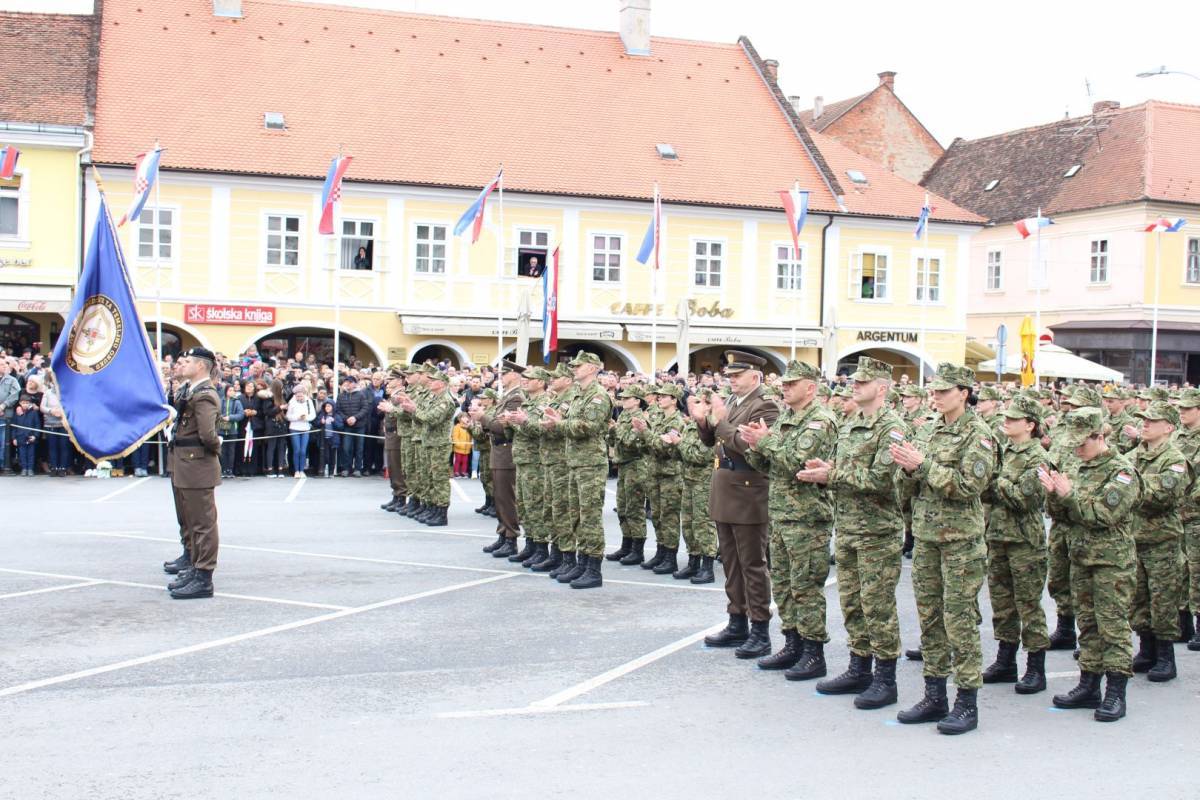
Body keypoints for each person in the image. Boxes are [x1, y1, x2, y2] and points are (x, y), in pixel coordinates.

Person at [892, 363, 996, 735]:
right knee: (930, 618)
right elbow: (906, 483)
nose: (935, 396)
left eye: (943, 391)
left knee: (959, 620)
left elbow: (969, 486)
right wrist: (908, 471)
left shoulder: (978, 435)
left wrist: (922, 466)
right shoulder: (930, 429)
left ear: (964, 394)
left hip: (960, 542)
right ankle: (934, 694)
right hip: (927, 536)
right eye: (933, 391)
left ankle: (966, 701)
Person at [797, 357, 908, 699]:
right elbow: (846, 469)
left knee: (878, 606)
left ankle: (885, 678)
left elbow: (881, 479)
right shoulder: (850, 422)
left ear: (882, 388)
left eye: (863, 382)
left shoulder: (892, 428)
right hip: (847, 527)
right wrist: (826, 468)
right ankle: (859, 667)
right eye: (854, 381)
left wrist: (832, 474)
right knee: (852, 603)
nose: (854, 386)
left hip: (877, 532)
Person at [1042, 408, 1140, 722]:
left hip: (1111, 562)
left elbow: (1101, 515)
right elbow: (1061, 514)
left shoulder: (1122, 472)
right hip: (1081, 556)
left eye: (1082, 443)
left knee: (1112, 627)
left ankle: (1116, 692)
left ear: (1099, 436)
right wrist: (1054, 495)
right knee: (1087, 624)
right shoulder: (1078, 465)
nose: (1077, 449)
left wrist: (1068, 495)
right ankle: (1089, 684)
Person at [741, 360, 837, 672]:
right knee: (783, 584)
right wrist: (755, 447)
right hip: (782, 514)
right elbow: (769, 466)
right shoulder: (786, 418)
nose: (785, 388)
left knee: (805, 587)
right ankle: (792, 644)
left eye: (791, 384)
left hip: (807, 518)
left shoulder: (819, 422)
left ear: (810, 388)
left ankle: (813, 652)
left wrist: (765, 442)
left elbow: (797, 462)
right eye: (784, 383)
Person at [695, 351, 779, 657]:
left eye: (736, 375)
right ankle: (737, 621)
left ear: (755, 376)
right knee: (731, 563)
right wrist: (703, 422)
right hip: (726, 489)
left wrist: (719, 422)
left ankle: (760, 629)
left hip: (748, 491)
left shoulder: (765, 406)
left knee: (752, 565)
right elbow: (713, 442)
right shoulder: (732, 401)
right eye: (729, 375)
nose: (730, 380)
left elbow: (749, 446)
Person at [981, 394, 1052, 693]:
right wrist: (996, 484)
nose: (1006, 422)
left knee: (1028, 605)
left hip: (1025, 541)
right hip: (998, 536)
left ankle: (1036, 667)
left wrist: (996, 480)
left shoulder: (1038, 458)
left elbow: (1025, 499)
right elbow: (986, 491)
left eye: (1013, 418)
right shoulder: (1005, 450)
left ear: (1030, 425)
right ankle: (1006, 660)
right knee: (1002, 603)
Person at [1128, 400, 1189, 681]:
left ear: (1168, 428)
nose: (1146, 424)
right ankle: (1146, 649)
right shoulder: (1135, 455)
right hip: (1135, 537)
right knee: (1139, 596)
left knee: (1163, 598)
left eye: (1152, 421)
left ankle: (1166, 656)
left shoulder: (1174, 459)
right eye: (1144, 420)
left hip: (1162, 539)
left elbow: (1163, 495)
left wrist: (1132, 488)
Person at [540, 351, 612, 589]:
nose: (574, 369)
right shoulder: (580, 395)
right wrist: (557, 418)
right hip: (575, 462)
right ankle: (582, 563)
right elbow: (573, 423)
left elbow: (588, 426)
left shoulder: (598, 395)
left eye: (578, 366)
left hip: (591, 464)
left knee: (590, 517)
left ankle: (594, 569)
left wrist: (559, 423)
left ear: (592, 368)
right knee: (576, 515)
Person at [162, 347, 223, 600]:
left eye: (187, 361)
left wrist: (217, 448)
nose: (182, 364)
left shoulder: (205, 395)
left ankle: (204, 577)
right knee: (191, 520)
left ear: (200, 366)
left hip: (197, 465)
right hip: (187, 464)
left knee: (202, 524)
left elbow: (208, 435)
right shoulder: (193, 391)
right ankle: (195, 566)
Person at [482, 362, 527, 554]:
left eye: (505, 373)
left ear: (515, 375)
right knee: (500, 497)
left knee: (507, 498)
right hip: (499, 451)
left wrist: (482, 417)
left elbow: (502, 426)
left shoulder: (516, 397)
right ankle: (503, 534)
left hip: (507, 451)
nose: (501, 376)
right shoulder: (507, 395)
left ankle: (510, 538)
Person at [607, 383, 650, 565]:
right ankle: (627, 544)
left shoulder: (640, 419)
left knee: (634, 508)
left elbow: (629, 442)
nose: (623, 400)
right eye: (622, 397)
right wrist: (612, 430)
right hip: (624, 465)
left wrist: (616, 430)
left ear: (637, 401)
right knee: (623, 507)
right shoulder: (624, 416)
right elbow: (612, 441)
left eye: (627, 398)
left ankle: (637, 550)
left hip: (636, 466)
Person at [1176, 388, 1200, 651]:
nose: (1182, 412)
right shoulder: (1177, 436)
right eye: (1180, 408)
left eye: (1187, 408)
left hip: (1196, 514)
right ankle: (1183, 623)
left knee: (1198, 570)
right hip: (1178, 514)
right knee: (1180, 570)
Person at [336, 375, 368, 476]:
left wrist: (355, 418)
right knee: (346, 448)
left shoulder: (361, 394)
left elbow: (365, 408)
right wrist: (346, 419)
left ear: (354, 384)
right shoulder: (341, 396)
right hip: (347, 426)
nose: (348, 384)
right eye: (346, 382)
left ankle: (358, 469)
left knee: (359, 448)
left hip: (360, 425)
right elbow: (338, 410)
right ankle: (346, 468)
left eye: (350, 382)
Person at [39, 377, 69, 476]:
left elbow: (71, 405)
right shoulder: (47, 393)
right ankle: (54, 467)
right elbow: (42, 407)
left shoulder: (67, 391)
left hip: (63, 423)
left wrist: (62, 412)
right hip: (50, 423)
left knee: (64, 446)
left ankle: (63, 468)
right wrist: (51, 411)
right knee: (52, 446)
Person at [286, 383, 316, 478]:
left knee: (303, 451)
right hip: (294, 428)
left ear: (304, 394)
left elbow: (313, 415)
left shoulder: (309, 401)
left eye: (301, 395)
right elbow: (288, 416)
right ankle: (296, 471)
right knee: (297, 450)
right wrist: (297, 417)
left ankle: (302, 470)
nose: (299, 397)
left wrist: (306, 418)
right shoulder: (292, 402)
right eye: (297, 396)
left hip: (305, 428)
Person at [217, 383, 245, 478]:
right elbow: (216, 413)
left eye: (233, 390)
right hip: (221, 429)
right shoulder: (220, 401)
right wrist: (221, 417)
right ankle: (223, 469)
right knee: (222, 451)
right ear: (226, 391)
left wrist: (230, 417)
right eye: (230, 390)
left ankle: (230, 469)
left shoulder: (237, 402)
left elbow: (241, 414)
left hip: (232, 430)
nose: (232, 392)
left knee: (231, 451)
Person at [12, 392, 40, 476]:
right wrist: (14, 438)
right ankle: (24, 468)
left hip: (31, 437)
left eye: (27, 403)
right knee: (22, 454)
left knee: (31, 454)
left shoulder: (34, 413)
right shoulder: (17, 413)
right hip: (20, 437)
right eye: (23, 403)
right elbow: (14, 426)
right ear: (20, 403)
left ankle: (30, 469)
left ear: (30, 403)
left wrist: (35, 436)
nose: (25, 405)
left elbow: (37, 425)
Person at [0, 358, 20, 473]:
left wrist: (3, 406)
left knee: (4, 443)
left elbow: (14, 395)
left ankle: (3, 465)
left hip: (5, 416)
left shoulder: (12, 380)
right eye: (1, 364)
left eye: (4, 364)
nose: (4, 366)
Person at [452, 414, 473, 478]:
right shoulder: (457, 427)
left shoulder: (469, 427)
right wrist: (458, 444)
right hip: (459, 448)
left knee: (465, 461)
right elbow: (455, 436)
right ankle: (456, 472)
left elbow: (471, 437)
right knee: (458, 460)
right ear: (459, 419)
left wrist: (470, 445)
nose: (465, 418)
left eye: (466, 417)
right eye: (463, 417)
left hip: (467, 448)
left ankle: (463, 471)